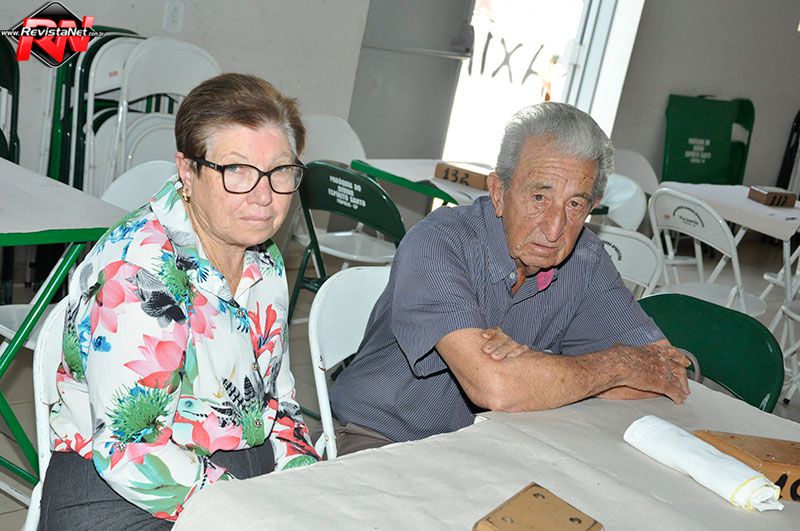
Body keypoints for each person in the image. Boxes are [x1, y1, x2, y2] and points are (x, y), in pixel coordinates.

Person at [329, 102, 690, 454]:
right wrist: (617, 364)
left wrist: (535, 368)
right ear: (499, 192)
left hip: (493, 446)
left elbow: (667, 373)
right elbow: (496, 388)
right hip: (381, 439)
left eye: (575, 205)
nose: (554, 229)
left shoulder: (586, 258)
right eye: (539, 197)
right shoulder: (438, 242)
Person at [41, 73, 319, 528]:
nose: (264, 196)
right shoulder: (139, 272)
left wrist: (308, 484)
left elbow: (279, 402)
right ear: (188, 171)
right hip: (120, 486)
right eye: (237, 170)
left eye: (280, 171)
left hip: (233, 464)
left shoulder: (263, 259)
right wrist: (253, 509)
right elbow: (130, 449)